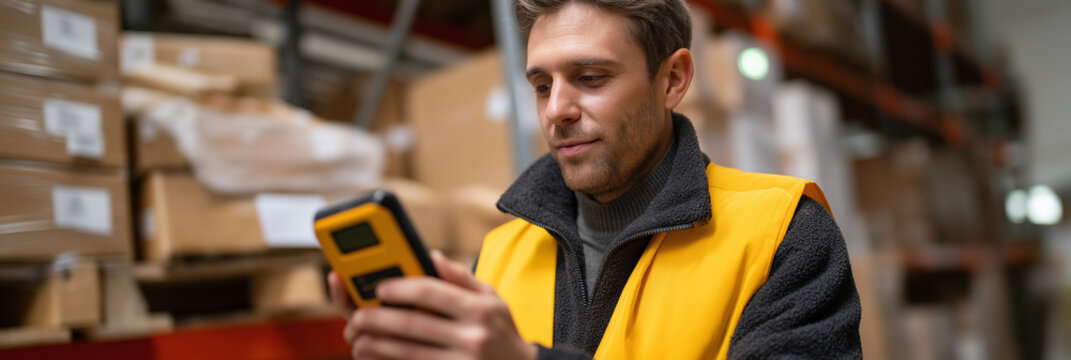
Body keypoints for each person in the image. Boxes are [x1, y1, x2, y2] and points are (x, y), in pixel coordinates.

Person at [328, 0, 862, 358]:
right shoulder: (499, 255)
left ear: (673, 79)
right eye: (541, 85)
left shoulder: (782, 233)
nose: (556, 110)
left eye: (589, 78)